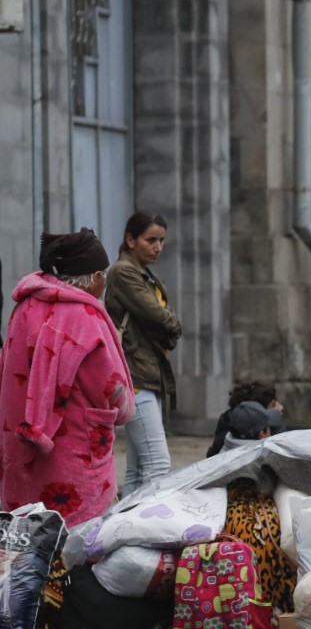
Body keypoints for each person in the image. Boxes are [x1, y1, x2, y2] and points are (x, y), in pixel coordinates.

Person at [0, 229, 135, 526]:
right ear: (92, 276)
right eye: (103, 274)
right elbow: (112, 388)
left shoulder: (23, 308)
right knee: (77, 544)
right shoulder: (85, 318)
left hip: (23, 453)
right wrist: (125, 408)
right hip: (76, 452)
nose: (104, 282)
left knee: (30, 540)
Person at [105, 212, 183, 496]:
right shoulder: (124, 272)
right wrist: (173, 323)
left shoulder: (145, 274)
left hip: (148, 374)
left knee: (138, 470)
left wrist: (168, 323)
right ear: (130, 239)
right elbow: (159, 317)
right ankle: (146, 533)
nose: (158, 247)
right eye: (151, 240)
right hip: (135, 376)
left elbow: (161, 319)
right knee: (158, 464)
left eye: (162, 240)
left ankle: (122, 532)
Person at [207, 380, 285, 457]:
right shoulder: (253, 450)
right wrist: (276, 425)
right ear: (258, 411)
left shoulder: (228, 419)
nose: (280, 407)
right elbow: (284, 456)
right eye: (273, 404)